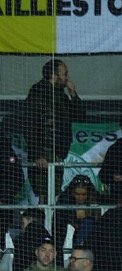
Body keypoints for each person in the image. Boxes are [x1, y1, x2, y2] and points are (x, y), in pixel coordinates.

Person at [23, 59, 85, 201]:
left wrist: (73, 94)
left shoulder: (61, 96)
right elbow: (30, 125)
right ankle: (41, 221)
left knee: (54, 193)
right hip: (44, 151)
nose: (67, 77)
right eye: (65, 74)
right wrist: (38, 153)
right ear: (53, 75)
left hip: (58, 152)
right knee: (44, 193)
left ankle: (50, 222)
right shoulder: (38, 93)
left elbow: (80, 116)